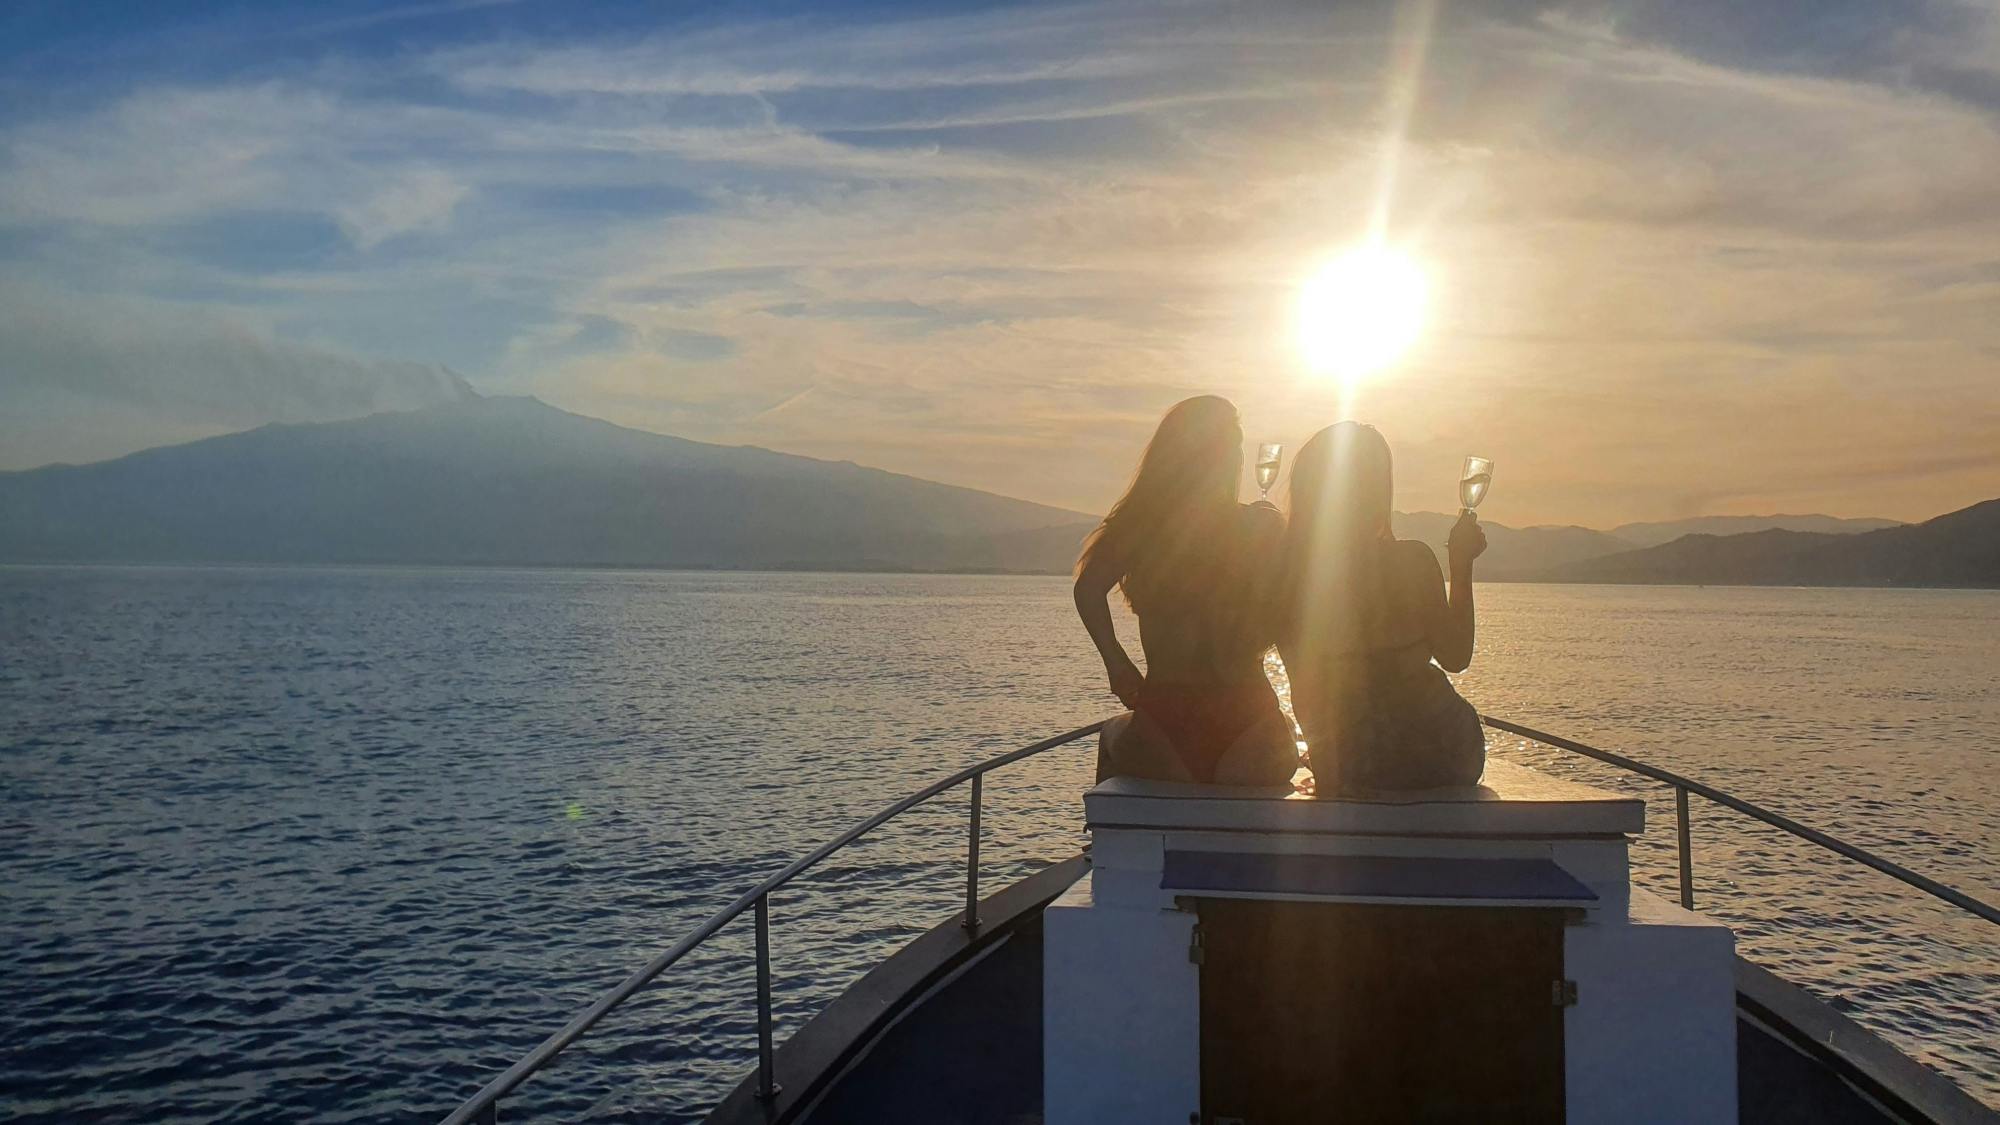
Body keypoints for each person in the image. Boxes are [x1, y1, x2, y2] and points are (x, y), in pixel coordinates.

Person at [1073, 396, 1297, 786]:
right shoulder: (1260, 529)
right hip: (1247, 710)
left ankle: (1107, 845)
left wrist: (1117, 663)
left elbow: (1088, 590)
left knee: (1113, 734)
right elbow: (1292, 612)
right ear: (1231, 458)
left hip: (1166, 714)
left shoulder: (1140, 530)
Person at [1279, 421, 1487, 793]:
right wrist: (1461, 564)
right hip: (1447, 753)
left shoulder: (1287, 574)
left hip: (1351, 763)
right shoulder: (1413, 561)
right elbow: (1456, 657)